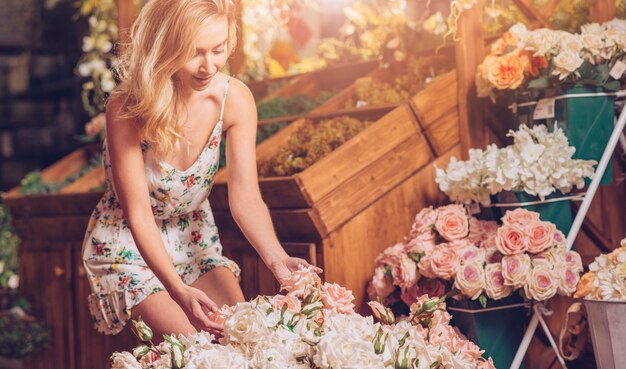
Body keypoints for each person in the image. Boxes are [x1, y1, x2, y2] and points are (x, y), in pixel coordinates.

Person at [81, 0, 320, 340]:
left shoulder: (235, 99)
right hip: (129, 246)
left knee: (242, 338)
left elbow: (246, 198)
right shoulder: (126, 107)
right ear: (165, 46)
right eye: (194, 53)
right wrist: (178, 290)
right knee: (198, 351)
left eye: (218, 49)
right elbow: (139, 214)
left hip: (194, 238)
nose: (209, 66)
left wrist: (277, 259)